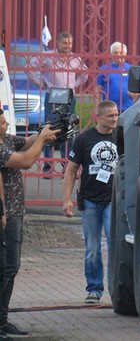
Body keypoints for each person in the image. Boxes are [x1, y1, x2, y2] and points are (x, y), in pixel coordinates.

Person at [0, 109, 59, 338]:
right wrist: (43, 139)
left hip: (15, 212)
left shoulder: (5, 139)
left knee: (11, 268)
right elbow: (25, 160)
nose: (6, 124)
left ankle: (3, 320)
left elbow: (26, 143)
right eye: (3, 122)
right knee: (5, 269)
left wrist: (45, 130)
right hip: (5, 214)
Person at [62, 100, 119, 304]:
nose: (114, 119)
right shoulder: (83, 139)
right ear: (99, 117)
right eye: (110, 116)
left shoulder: (121, 137)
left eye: (116, 115)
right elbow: (71, 170)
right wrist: (67, 199)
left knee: (115, 245)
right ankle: (94, 289)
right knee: (92, 247)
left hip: (113, 198)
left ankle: (117, 290)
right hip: (90, 201)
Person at [27, 31, 88, 173]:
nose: (67, 46)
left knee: (67, 130)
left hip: (68, 98)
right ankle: (48, 167)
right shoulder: (48, 57)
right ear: (58, 43)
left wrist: (74, 85)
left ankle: (67, 166)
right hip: (52, 97)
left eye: (70, 43)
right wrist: (41, 83)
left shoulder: (75, 59)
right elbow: (29, 68)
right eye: (65, 43)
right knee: (49, 129)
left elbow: (85, 74)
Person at [96, 42, 139, 112]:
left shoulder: (131, 69)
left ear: (125, 54)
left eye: (121, 52)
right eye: (115, 53)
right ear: (111, 54)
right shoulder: (104, 69)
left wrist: (134, 93)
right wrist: (96, 109)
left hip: (128, 108)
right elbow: (97, 90)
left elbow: (137, 90)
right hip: (109, 109)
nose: (118, 55)